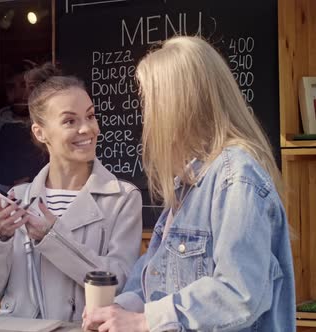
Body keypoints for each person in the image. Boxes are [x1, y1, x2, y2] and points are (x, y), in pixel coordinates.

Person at [83, 36, 295, 332]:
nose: (146, 115)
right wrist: (121, 308)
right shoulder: (191, 181)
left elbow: (239, 294)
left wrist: (145, 321)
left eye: (149, 100)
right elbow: (160, 276)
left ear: (179, 105)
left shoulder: (236, 177)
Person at [0, 64, 143, 321]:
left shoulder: (122, 199)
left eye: (90, 116)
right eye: (70, 121)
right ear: (40, 133)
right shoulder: (18, 198)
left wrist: (52, 238)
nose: (87, 129)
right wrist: (0, 236)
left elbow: (119, 282)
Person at [0, 61, 49, 204]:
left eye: (26, 86)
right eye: (12, 87)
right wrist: (13, 191)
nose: (20, 93)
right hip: (8, 219)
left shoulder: (54, 129)